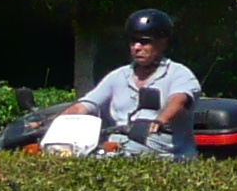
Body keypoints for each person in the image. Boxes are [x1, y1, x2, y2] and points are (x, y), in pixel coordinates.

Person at [58, 8, 201, 154]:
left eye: (145, 42)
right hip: (119, 146)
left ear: (162, 43)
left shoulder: (179, 74)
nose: (137, 47)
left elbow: (179, 100)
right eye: (133, 41)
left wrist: (160, 120)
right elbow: (87, 104)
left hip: (165, 152)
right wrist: (55, 122)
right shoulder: (118, 76)